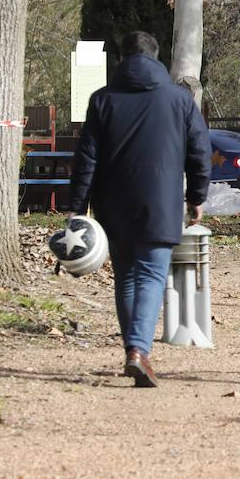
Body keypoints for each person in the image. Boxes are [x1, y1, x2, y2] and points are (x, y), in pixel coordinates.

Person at [69, 31, 211, 388]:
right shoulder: (179, 100)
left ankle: (134, 349)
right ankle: (138, 351)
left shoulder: (102, 99)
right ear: (157, 58)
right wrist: (196, 196)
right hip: (161, 203)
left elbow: (87, 157)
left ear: (121, 59)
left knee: (127, 277)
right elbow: (199, 151)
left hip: (113, 204)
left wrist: (77, 207)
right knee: (150, 276)